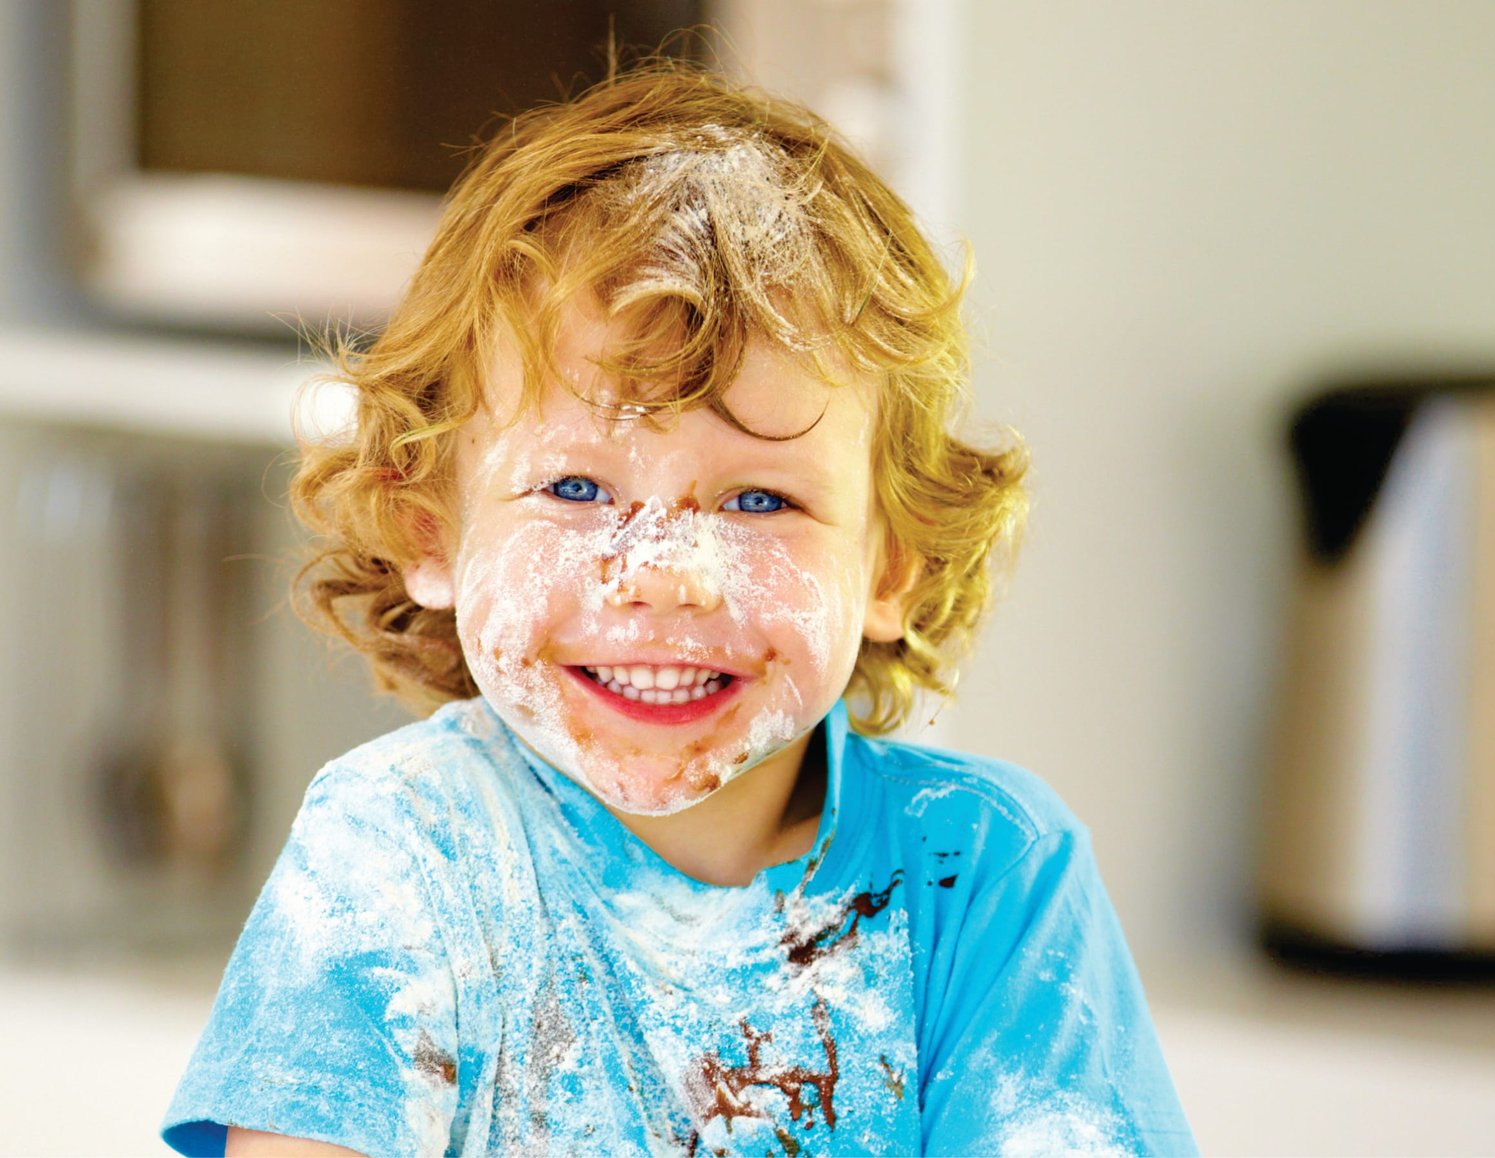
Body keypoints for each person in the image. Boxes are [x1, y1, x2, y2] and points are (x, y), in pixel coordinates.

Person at [161, 62, 1196, 1157]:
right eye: (575, 489)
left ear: (892, 564)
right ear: (429, 531)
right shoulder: (399, 857)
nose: (662, 572)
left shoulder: (982, 875)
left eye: (759, 499)